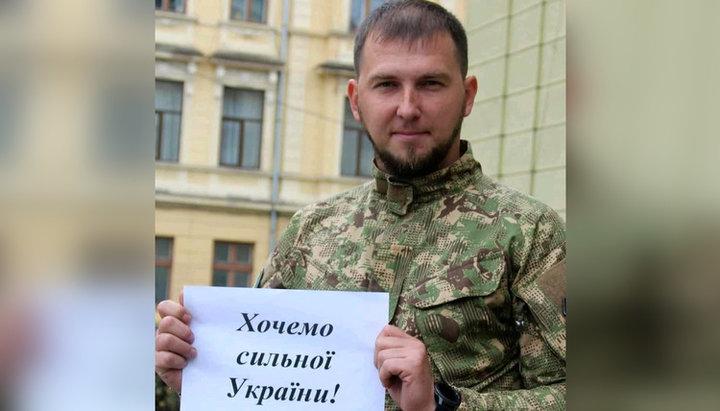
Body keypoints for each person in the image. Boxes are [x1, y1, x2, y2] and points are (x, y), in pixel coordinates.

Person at [155, 1, 566, 410]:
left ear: (468, 95)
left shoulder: (529, 233)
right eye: (386, 84)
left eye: (431, 84)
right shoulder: (311, 232)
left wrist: (443, 404)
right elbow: (264, 384)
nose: (408, 108)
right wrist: (202, 375)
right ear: (355, 99)